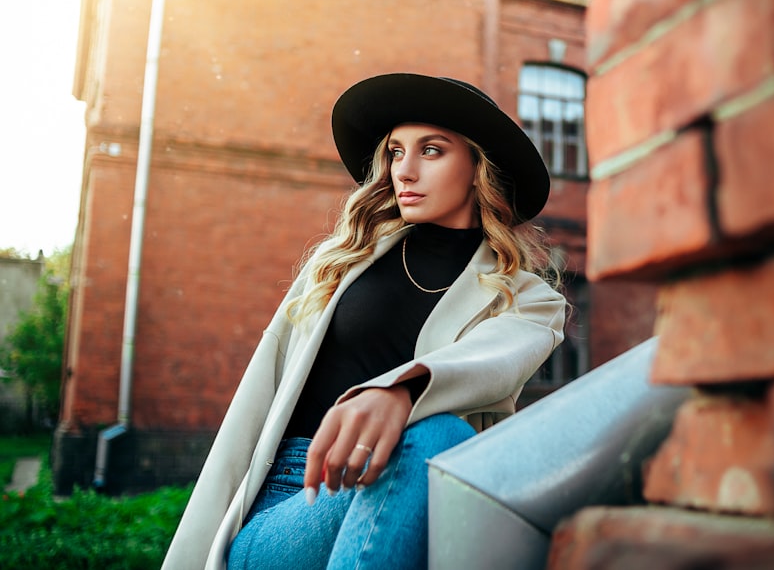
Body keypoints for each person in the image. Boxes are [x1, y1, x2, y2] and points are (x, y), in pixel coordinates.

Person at [162, 73, 567, 570]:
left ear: (479, 168)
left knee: (438, 440)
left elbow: (494, 363)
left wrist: (400, 391)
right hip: (291, 500)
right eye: (396, 152)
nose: (405, 171)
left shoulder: (529, 300)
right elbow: (256, 399)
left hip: (412, 488)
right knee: (436, 444)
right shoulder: (341, 262)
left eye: (432, 151)